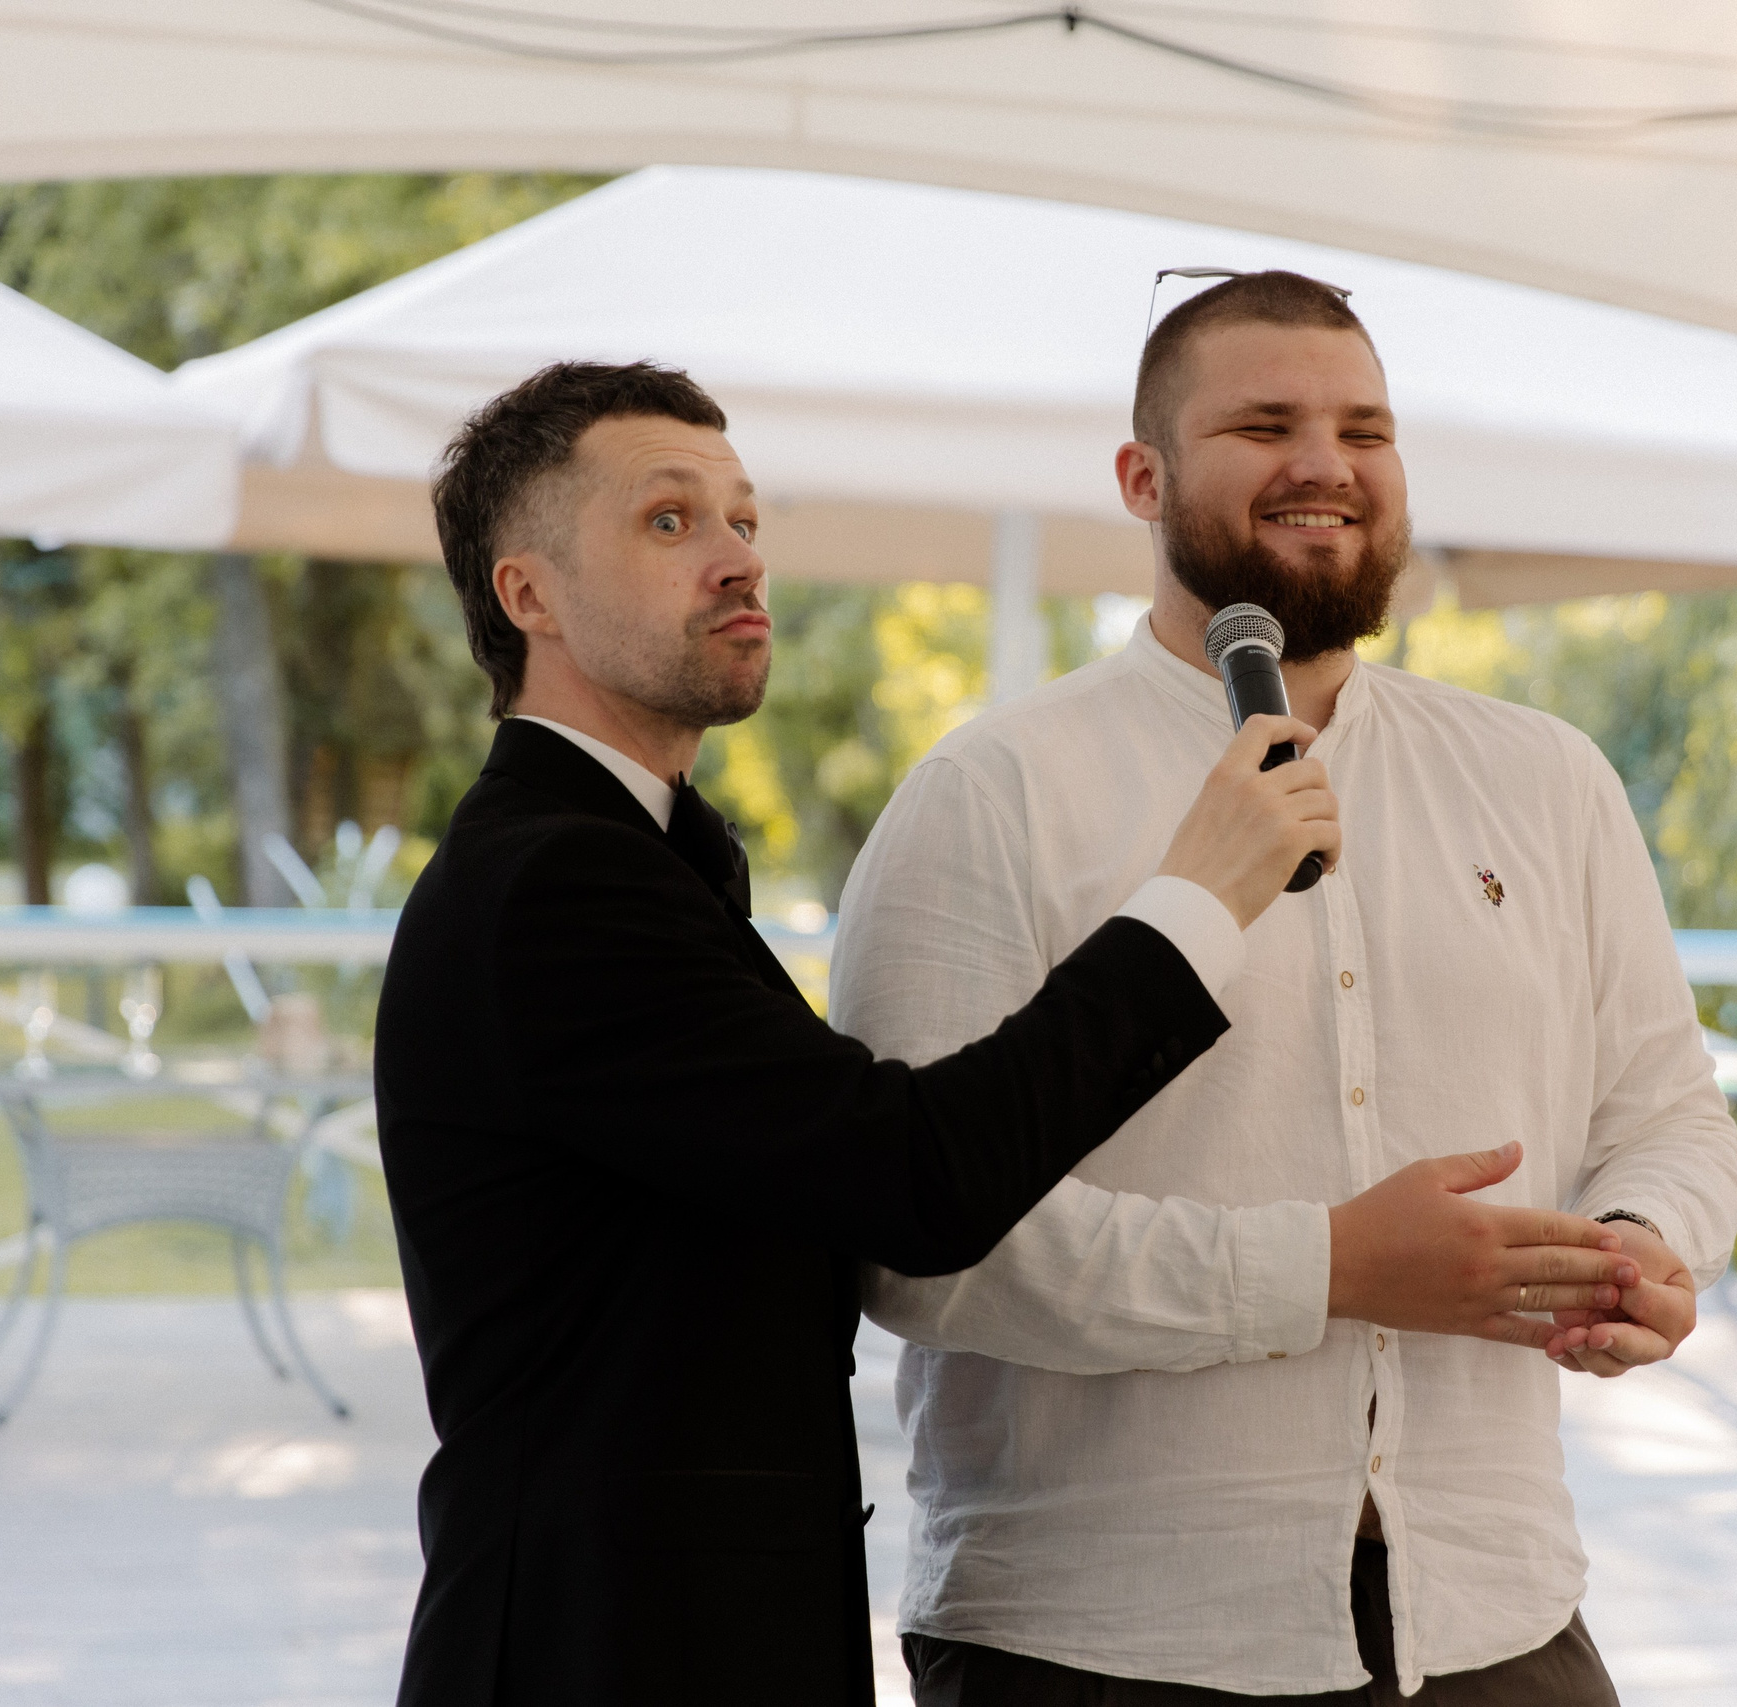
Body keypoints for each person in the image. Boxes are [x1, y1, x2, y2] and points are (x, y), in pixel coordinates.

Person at [371, 359, 1532, 1707]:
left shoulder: (641, 861)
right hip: (598, 1647)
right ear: (530, 595)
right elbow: (917, 1179)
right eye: (671, 521)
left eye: (747, 518)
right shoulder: (554, 886)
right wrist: (1202, 898)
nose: (740, 559)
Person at [836, 273, 1737, 1703]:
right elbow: (918, 1252)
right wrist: (1325, 1270)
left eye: (1365, 430)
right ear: (1143, 478)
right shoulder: (991, 792)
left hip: (1499, 1613)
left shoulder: (1547, 779)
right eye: (1266, 423)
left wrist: (1638, 1245)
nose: (1327, 463)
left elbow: (1676, 1115)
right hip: (1106, 1639)